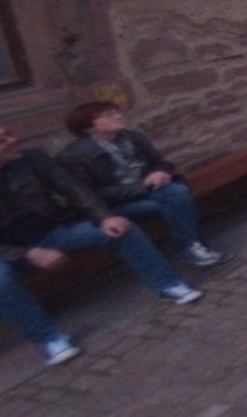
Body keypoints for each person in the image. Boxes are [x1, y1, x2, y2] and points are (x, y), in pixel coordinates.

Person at [1, 125, 202, 365]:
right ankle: (50, 338)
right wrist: (28, 254)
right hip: (9, 251)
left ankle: (169, 284)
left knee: (121, 229)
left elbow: (74, 189)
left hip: (54, 230)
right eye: (2, 140)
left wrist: (103, 217)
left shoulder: (31, 159)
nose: (13, 141)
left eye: (10, 134)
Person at [57, 103, 227, 268]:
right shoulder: (73, 156)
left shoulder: (133, 138)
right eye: (109, 115)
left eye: (117, 112)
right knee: (176, 199)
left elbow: (161, 163)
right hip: (115, 207)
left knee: (176, 193)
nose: (118, 116)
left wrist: (160, 173)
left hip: (150, 191)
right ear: (89, 128)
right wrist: (143, 185)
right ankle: (194, 248)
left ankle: (194, 249)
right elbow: (91, 196)